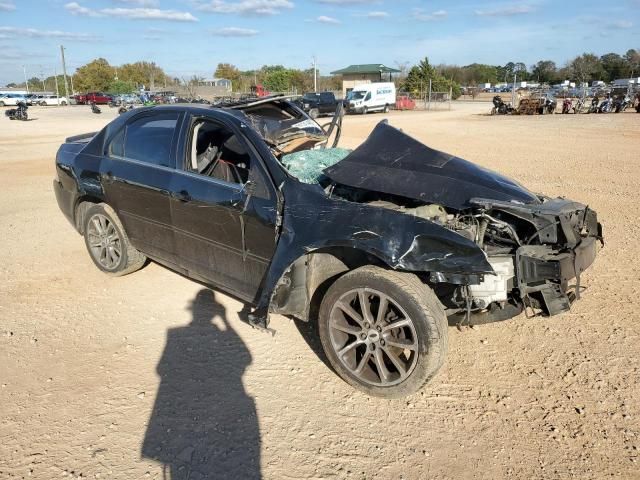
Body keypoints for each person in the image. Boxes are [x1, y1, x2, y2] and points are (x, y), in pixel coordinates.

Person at [141, 289, 260, 479]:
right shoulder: (180, 335)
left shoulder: (175, 335)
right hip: (221, 402)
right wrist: (226, 321)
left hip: (188, 408)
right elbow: (246, 358)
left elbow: (161, 369)